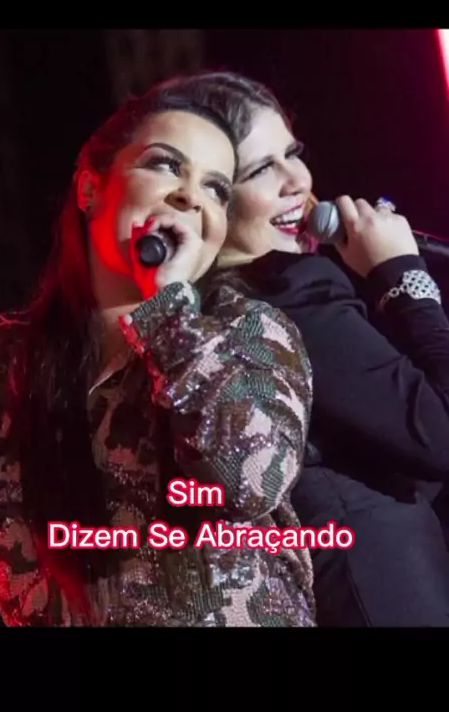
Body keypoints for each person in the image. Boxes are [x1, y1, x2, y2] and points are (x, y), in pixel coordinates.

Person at [0, 79, 315, 627]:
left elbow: (254, 479)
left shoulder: (247, 331)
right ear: (90, 188)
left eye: (216, 189)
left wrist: (169, 312)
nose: (190, 196)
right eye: (166, 165)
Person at [179, 69, 449, 627]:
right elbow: (440, 434)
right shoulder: (289, 295)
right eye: (260, 170)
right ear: (211, 199)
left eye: (292, 154)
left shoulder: (205, 310)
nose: (296, 182)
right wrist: (403, 274)